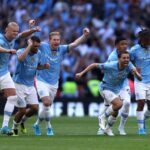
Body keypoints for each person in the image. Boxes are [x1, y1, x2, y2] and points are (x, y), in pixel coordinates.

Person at [32, 27, 90, 136]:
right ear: (49, 40)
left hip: (54, 83)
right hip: (41, 80)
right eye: (54, 40)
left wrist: (84, 36)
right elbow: (32, 41)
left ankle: (37, 124)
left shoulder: (62, 49)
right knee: (46, 102)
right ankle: (49, 127)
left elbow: (74, 44)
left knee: (46, 107)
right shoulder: (43, 46)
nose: (56, 42)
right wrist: (32, 29)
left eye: (58, 40)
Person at [76, 51, 142, 136]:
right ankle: (102, 116)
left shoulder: (129, 65)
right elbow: (94, 65)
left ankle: (107, 129)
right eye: (124, 58)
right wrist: (81, 73)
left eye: (128, 58)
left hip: (116, 90)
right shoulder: (110, 65)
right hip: (105, 88)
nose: (126, 60)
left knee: (115, 112)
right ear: (119, 59)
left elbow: (139, 78)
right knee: (119, 104)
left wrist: (136, 73)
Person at [0, 21, 40, 135]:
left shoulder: (13, 37)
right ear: (6, 30)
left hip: (4, 73)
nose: (15, 34)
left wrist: (33, 30)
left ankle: (4, 127)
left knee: (12, 97)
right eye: (13, 31)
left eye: (16, 31)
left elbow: (23, 34)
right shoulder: (1, 39)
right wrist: (8, 50)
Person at [11, 36, 50, 136]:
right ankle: (14, 128)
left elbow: (37, 66)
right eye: (35, 46)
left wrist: (44, 67)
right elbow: (21, 59)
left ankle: (22, 121)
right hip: (19, 84)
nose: (37, 48)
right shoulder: (21, 51)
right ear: (30, 44)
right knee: (22, 110)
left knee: (35, 108)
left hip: (30, 85)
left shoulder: (39, 53)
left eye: (38, 46)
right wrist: (29, 46)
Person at [98, 37, 130, 135]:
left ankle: (121, 128)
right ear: (116, 46)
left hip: (123, 83)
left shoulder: (128, 54)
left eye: (126, 44)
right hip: (111, 85)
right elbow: (104, 69)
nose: (125, 46)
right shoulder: (112, 57)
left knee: (127, 103)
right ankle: (103, 128)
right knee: (111, 106)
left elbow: (132, 64)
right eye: (122, 44)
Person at [129, 29, 150, 135]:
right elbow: (127, 61)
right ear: (141, 40)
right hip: (140, 81)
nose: (148, 42)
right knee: (141, 103)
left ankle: (143, 120)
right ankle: (141, 129)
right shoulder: (134, 50)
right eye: (147, 40)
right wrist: (134, 69)